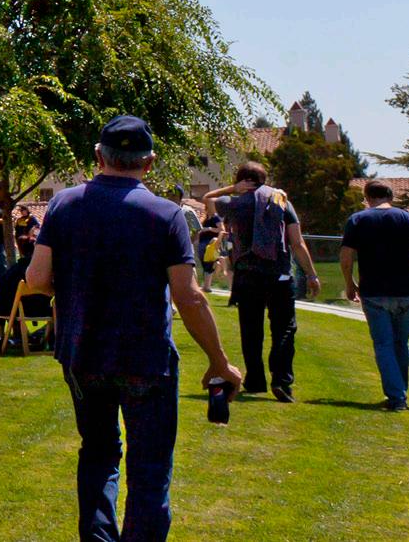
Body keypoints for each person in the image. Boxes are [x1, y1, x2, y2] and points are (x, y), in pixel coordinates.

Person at [27, 115, 241, 542]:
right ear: (150, 162)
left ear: (98, 156)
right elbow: (189, 296)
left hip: (82, 353)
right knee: (150, 468)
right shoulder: (166, 214)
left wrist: (72, 288)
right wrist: (220, 361)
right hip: (146, 358)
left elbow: (36, 278)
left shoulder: (63, 205)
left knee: (98, 454)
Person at [206, 160, 318, 401]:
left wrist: (233, 189)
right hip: (278, 272)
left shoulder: (234, 203)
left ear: (241, 179)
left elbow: (208, 199)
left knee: (251, 329)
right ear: (264, 179)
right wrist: (311, 274)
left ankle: (255, 380)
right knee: (284, 327)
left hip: (247, 273)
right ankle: (281, 379)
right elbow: (297, 242)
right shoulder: (280, 200)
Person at [336, 179, 409, 411]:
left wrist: (350, 283)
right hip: (405, 290)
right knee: (401, 343)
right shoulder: (407, 218)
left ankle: (396, 396)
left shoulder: (358, 220)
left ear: (367, 197)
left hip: (374, 290)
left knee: (383, 344)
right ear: (391, 196)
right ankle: (400, 390)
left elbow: (346, 256)